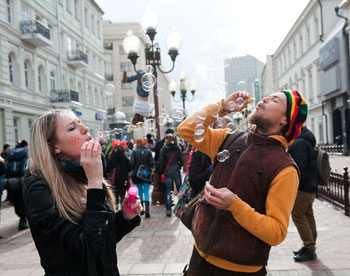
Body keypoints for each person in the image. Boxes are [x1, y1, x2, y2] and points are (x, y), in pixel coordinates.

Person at [178, 90, 308, 275]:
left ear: (284, 120)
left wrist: (235, 205)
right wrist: (222, 107)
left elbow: (277, 232)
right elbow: (186, 130)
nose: (265, 98)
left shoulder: (284, 168)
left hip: (240, 269)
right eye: (268, 96)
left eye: (274, 100)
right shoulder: (230, 139)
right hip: (199, 258)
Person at [23, 109, 142, 275]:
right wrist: (94, 182)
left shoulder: (79, 172)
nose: (85, 129)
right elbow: (88, 247)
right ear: (52, 146)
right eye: (72, 128)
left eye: (80, 123)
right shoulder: (39, 188)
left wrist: (123, 217)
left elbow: (103, 239)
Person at [287, 126, 318, 262]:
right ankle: (309, 246)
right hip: (309, 187)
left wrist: (295, 186)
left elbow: (299, 168)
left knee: (298, 215)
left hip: (302, 188)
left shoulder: (299, 143)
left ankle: (309, 248)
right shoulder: (305, 141)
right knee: (308, 216)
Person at [5, 139, 29, 230]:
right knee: (24, 199)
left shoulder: (11, 153)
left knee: (16, 200)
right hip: (22, 179)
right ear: (25, 145)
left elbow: (6, 166)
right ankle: (23, 220)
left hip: (12, 180)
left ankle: (21, 218)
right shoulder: (26, 152)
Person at [159, 133, 184, 217]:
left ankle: (168, 210)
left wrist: (163, 169)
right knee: (180, 190)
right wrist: (178, 166)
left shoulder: (163, 149)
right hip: (176, 170)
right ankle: (181, 208)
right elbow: (182, 160)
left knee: (168, 191)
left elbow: (161, 162)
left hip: (167, 171)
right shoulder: (177, 148)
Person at [129, 137, 154, 218]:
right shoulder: (148, 151)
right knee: (146, 191)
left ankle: (141, 210)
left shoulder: (134, 151)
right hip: (146, 174)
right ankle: (147, 211)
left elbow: (131, 163)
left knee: (140, 191)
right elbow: (151, 163)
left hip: (137, 174)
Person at [106, 142, 130, 209]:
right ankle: (122, 209)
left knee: (115, 195)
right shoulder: (125, 159)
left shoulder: (111, 158)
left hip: (114, 180)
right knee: (122, 194)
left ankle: (116, 209)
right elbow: (130, 168)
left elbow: (107, 169)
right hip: (124, 180)